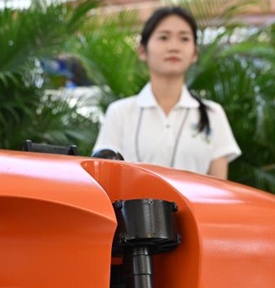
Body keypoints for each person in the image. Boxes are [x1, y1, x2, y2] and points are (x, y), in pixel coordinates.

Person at [93, 7, 241, 179]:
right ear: (142, 51)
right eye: (163, 37)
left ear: (194, 53)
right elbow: (105, 177)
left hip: (197, 207)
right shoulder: (120, 113)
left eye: (184, 38)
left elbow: (219, 187)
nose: (174, 47)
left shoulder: (212, 114)